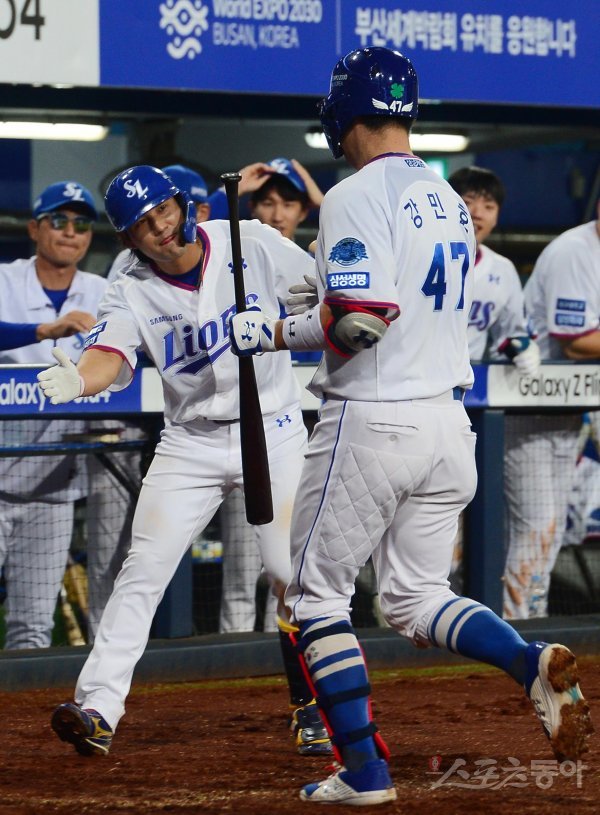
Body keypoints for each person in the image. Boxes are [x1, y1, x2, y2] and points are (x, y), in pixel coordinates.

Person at [228, 47, 593, 804]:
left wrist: (272, 331)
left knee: (315, 597)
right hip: (446, 427)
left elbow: (360, 321)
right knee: (413, 597)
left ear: (343, 112)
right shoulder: (446, 197)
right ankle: (526, 661)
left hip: (374, 419)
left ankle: (364, 772)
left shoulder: (355, 192)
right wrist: (314, 298)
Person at [39, 165, 330, 757]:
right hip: (190, 441)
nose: (160, 227)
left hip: (272, 429)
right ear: (128, 238)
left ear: (184, 205)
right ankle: (98, 709)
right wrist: (80, 380)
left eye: (164, 210)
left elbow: (325, 288)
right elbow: (110, 354)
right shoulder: (128, 284)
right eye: (143, 224)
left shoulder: (249, 240)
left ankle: (313, 705)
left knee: (291, 573)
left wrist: (303, 308)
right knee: (142, 569)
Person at [220, 157, 324, 636]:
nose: (278, 212)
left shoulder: (316, 263)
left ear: (304, 211)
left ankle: (286, 659)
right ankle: (238, 659)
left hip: (299, 423)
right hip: (245, 424)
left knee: (289, 562)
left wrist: (325, 201)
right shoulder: (232, 262)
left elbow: (359, 263)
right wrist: (231, 196)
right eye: (267, 201)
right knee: (243, 565)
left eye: (289, 202)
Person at [0, 181, 106, 649]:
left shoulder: (103, 291)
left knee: (33, 628)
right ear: (34, 229)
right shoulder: (5, 280)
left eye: (81, 224)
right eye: (58, 220)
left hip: (54, 487)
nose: (70, 231)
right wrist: (44, 330)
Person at [447, 166, 541, 599]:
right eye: (468, 202)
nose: (478, 212)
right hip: (423, 394)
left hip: (471, 409)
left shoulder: (502, 270)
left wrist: (521, 347)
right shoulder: (424, 253)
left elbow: (508, 332)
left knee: (465, 517)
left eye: (488, 205)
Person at [504, 198, 600, 617]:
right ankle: (518, 631)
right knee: (536, 528)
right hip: (525, 408)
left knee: (551, 530)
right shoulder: (574, 251)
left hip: (565, 412)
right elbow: (575, 342)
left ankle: (530, 622)